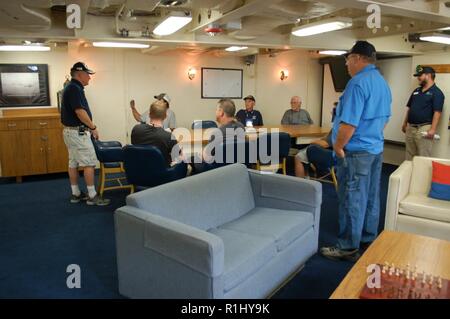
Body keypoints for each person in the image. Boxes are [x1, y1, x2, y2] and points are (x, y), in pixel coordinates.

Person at [320, 41, 392, 261]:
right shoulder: (382, 82)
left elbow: (348, 124)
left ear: (358, 58)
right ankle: (367, 238)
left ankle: (347, 247)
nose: (346, 64)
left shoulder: (357, 83)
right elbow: (385, 118)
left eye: (348, 59)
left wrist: (339, 146)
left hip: (356, 152)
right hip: (375, 150)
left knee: (352, 198)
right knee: (371, 196)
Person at [61, 62, 110, 206]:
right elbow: (79, 111)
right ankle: (92, 195)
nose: (89, 77)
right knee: (89, 163)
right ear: (79, 74)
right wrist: (93, 127)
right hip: (78, 133)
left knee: (73, 163)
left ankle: (75, 193)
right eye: (88, 74)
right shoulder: (75, 88)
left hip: (70, 132)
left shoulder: (70, 87)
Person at [402, 65, 445, 160]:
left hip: (424, 128)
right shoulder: (416, 91)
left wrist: (433, 129)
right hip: (411, 127)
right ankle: (410, 175)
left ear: (428, 75)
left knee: (423, 157)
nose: (418, 78)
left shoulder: (437, 93)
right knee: (409, 156)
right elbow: (409, 108)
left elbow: (437, 112)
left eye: (420, 76)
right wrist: (405, 123)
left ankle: (420, 175)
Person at [192, 99, 245, 173]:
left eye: (216, 110)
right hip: (236, 167)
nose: (215, 112)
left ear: (221, 112)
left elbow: (207, 156)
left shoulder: (217, 133)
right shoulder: (241, 127)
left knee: (195, 158)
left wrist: (201, 154)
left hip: (217, 169)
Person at [131, 100, 181, 166]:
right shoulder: (168, 137)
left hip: (138, 171)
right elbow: (178, 158)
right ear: (165, 116)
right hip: (162, 174)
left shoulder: (136, 129)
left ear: (149, 114)